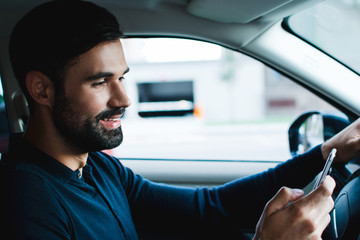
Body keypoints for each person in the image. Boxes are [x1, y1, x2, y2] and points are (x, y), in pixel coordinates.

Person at [1, 1, 359, 239]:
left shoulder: (96, 169)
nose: (124, 99)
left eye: (121, 77)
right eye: (100, 82)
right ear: (41, 90)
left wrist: (328, 151)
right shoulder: (24, 204)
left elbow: (210, 209)